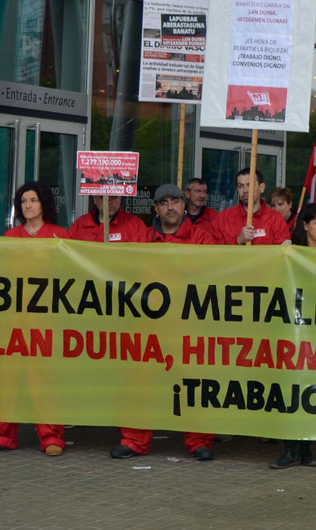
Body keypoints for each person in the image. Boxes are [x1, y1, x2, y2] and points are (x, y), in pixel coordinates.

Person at [110, 184, 216, 461]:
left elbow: (215, 276)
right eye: (164, 202)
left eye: (175, 201)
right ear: (155, 208)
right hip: (148, 329)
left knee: (192, 384)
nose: (170, 207)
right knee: (140, 385)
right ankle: (134, 440)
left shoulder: (202, 239)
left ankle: (198, 441)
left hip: (188, 327)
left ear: (184, 205)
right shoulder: (141, 239)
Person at [0, 182, 68, 456]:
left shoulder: (59, 236)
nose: (28, 205)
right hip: (13, 321)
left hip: (45, 320)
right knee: (8, 377)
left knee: (45, 379)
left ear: (44, 204)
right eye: (23, 201)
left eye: (33, 200)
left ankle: (51, 437)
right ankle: (1, 436)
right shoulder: (11, 235)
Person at [270, 203, 316, 469]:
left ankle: (306, 448)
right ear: (305, 225)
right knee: (290, 389)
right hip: (292, 331)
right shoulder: (289, 252)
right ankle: (290, 448)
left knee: (312, 388)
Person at [212, 168, 290, 246]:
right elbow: (212, 251)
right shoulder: (223, 218)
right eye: (240, 186)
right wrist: (237, 241)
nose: (245, 190)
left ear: (261, 187)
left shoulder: (276, 219)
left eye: (250, 185)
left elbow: (283, 253)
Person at [67, 195, 147, 243]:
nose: (109, 202)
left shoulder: (135, 225)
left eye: (114, 197)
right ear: (95, 199)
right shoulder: (81, 223)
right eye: (103, 197)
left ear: (120, 198)